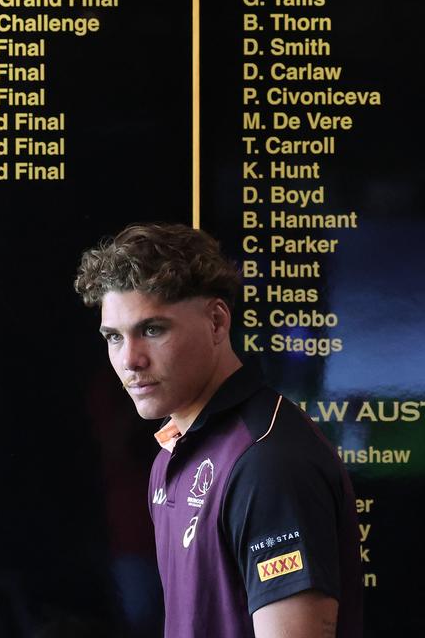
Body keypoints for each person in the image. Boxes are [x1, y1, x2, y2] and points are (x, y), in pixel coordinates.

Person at [74, 223, 362, 638]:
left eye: (152, 330)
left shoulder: (267, 460)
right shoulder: (171, 455)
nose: (129, 359)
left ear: (217, 321)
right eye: (114, 337)